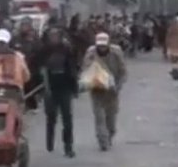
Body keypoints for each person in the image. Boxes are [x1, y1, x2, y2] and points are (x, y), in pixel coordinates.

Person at [34, 26, 79, 158]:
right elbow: (37, 66)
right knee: (51, 117)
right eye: (51, 36)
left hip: (64, 87)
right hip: (50, 89)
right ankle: (50, 142)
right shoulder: (44, 50)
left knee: (67, 119)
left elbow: (73, 68)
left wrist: (74, 87)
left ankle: (68, 146)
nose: (54, 38)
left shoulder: (67, 49)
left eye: (56, 35)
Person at [82, 32, 127, 151]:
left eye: (104, 45)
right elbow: (85, 70)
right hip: (97, 90)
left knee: (111, 119)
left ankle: (109, 135)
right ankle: (103, 141)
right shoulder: (91, 53)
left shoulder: (116, 53)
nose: (102, 48)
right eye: (99, 46)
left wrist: (118, 86)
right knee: (99, 117)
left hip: (112, 91)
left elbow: (123, 72)